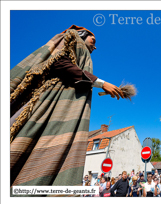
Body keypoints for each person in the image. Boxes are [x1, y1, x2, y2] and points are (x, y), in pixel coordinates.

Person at [10, 25, 124, 188]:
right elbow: (60, 63)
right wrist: (101, 83)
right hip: (50, 102)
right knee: (28, 142)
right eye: (94, 39)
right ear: (82, 35)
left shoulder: (82, 51)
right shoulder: (70, 38)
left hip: (66, 109)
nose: (95, 45)